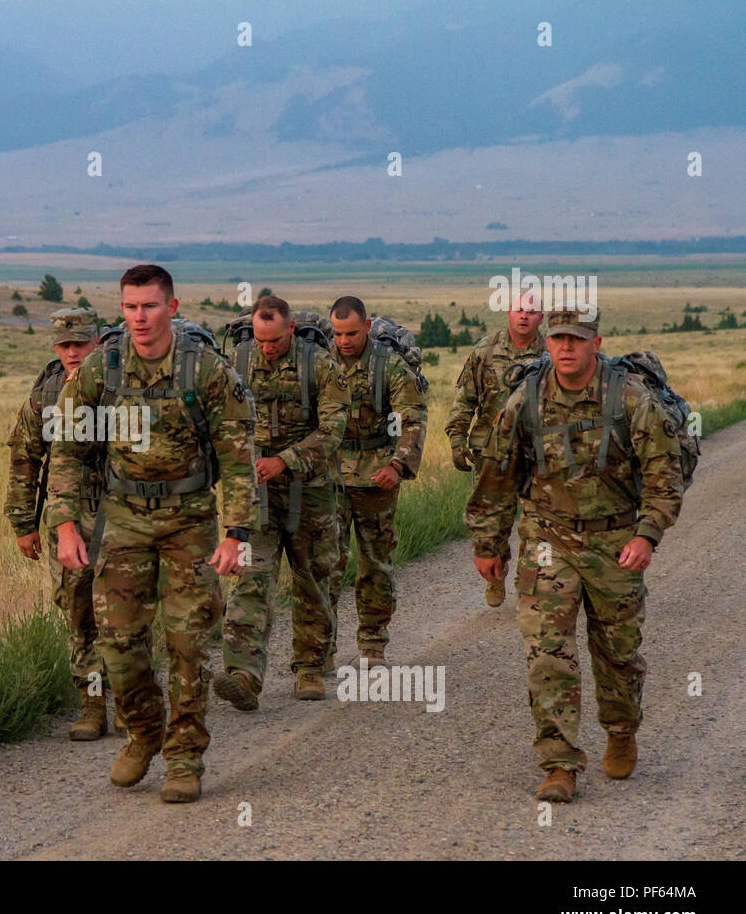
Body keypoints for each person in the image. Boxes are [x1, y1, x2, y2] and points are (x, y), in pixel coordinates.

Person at [48, 264, 257, 804]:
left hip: (189, 519)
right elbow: (68, 449)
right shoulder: (101, 370)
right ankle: (144, 730)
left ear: (173, 305)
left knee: (188, 642)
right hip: (122, 518)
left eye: (150, 306)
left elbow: (237, 459)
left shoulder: (204, 370)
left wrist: (235, 533)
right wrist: (65, 523)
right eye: (130, 307)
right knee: (116, 641)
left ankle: (185, 757)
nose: (139, 318)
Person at [465, 307, 683, 803]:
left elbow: (663, 477)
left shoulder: (630, 399)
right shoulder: (527, 399)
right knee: (547, 651)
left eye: (576, 340)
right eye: (558, 338)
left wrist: (646, 536)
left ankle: (621, 729)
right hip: (548, 536)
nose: (565, 347)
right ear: (548, 342)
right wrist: (488, 543)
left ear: (596, 343)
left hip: (615, 540)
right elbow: (498, 474)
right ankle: (559, 763)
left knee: (617, 652)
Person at [214, 296, 350, 707]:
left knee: (312, 577)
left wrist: (285, 461)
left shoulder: (320, 366)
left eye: (274, 340)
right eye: (260, 339)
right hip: (256, 494)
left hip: (312, 490)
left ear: (290, 330)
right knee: (252, 577)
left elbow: (333, 429)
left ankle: (309, 668)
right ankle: (244, 674)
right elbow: (220, 424)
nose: (267, 348)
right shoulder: (236, 364)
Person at [4, 308, 111, 740]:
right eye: (64, 345)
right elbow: (24, 458)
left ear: (98, 341)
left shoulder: (121, 383)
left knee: (124, 610)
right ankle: (92, 703)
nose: (72, 352)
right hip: (67, 515)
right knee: (76, 608)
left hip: (123, 512)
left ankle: (137, 697)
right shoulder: (46, 393)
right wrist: (23, 521)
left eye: (80, 343)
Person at [327, 296, 428, 667]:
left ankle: (372, 644)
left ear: (367, 327)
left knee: (374, 563)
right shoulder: (322, 363)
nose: (344, 341)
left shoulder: (389, 367)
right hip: (331, 474)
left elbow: (411, 418)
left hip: (377, 474)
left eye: (351, 332)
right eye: (338, 334)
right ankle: (320, 650)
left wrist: (398, 466)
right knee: (326, 562)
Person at [445, 291, 545, 606]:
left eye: (531, 311)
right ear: (508, 313)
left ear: (541, 317)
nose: (524, 315)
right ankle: (497, 574)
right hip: (492, 453)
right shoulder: (485, 352)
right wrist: (457, 438)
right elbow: (464, 400)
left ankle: (531, 581)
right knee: (493, 521)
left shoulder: (551, 354)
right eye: (519, 309)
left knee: (538, 520)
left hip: (537, 453)